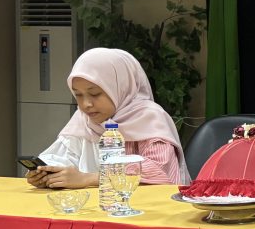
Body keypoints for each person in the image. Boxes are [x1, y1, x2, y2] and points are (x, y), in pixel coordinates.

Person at [25, 48, 189, 189]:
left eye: (95, 94)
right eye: (78, 95)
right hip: (92, 208)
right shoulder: (84, 119)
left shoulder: (149, 118)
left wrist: (88, 179)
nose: (86, 104)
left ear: (120, 87)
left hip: (144, 210)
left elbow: (159, 171)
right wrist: (47, 174)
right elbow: (64, 156)